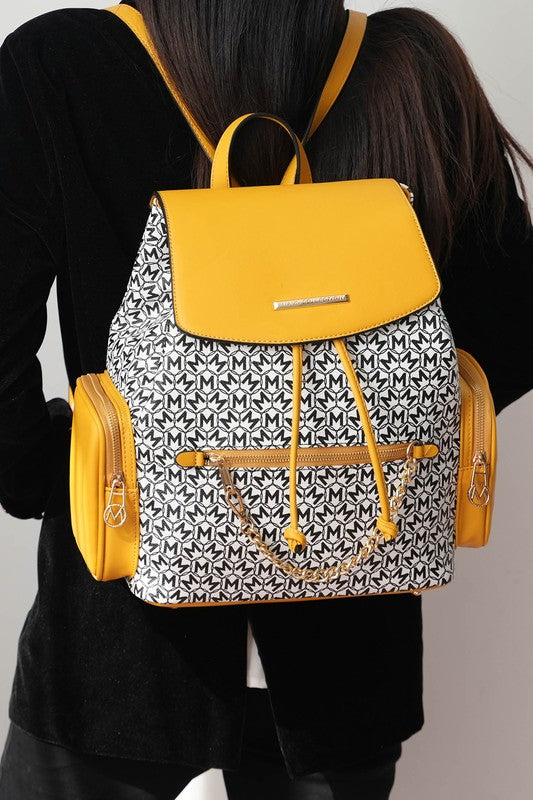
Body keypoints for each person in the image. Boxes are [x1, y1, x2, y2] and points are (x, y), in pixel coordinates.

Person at [0, 1, 532, 798]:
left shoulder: (60, 65)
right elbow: (510, 330)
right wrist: (369, 452)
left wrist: (62, 477)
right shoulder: (407, 66)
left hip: (119, 643)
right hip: (350, 645)